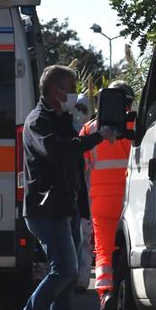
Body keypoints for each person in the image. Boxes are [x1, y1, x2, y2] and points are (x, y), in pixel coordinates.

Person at [6, 65, 121, 310]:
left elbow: (74, 162)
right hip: (46, 210)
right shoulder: (38, 122)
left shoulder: (61, 119)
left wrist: (80, 207)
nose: (74, 94)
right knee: (66, 269)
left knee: (67, 278)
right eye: (70, 88)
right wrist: (97, 137)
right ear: (57, 91)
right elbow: (59, 151)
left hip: (64, 207)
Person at [79, 81, 136, 310]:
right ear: (128, 103)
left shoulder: (90, 128)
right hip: (131, 199)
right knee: (130, 248)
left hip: (100, 202)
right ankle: (128, 295)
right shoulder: (136, 125)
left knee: (103, 251)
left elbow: (80, 164)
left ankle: (106, 296)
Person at [72, 94, 94, 294]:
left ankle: (81, 280)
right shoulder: (68, 132)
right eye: (77, 108)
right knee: (75, 237)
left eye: (83, 109)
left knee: (85, 239)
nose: (79, 113)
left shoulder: (89, 133)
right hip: (76, 192)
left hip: (89, 192)